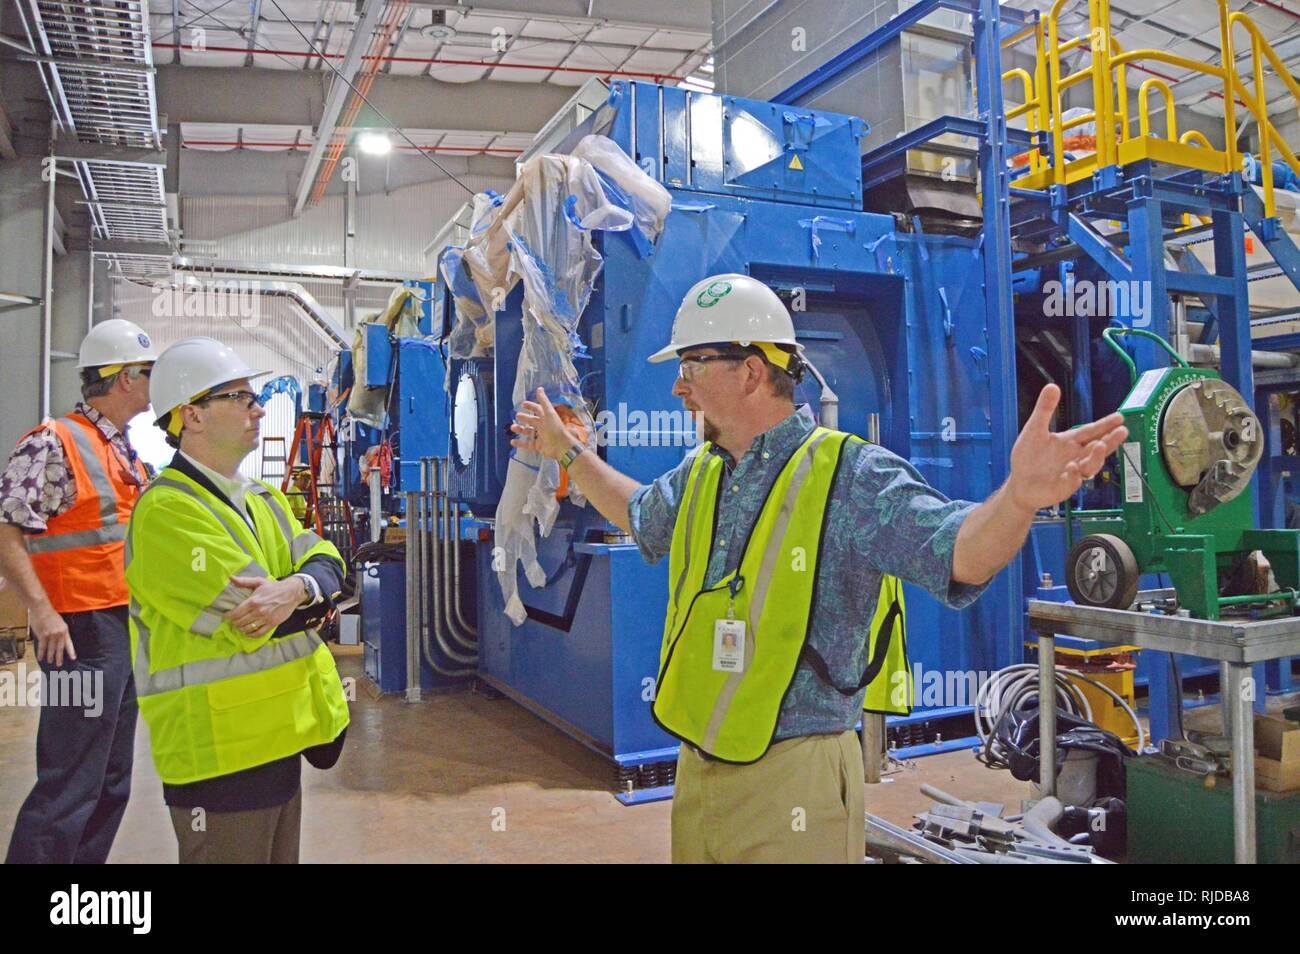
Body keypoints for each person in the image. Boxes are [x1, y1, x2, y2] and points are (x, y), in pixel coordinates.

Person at [511, 273, 1128, 864]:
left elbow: (960, 552)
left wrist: (1018, 497)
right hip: (697, 767)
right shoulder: (705, 470)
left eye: (691, 365)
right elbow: (641, 514)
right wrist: (570, 451)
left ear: (751, 370)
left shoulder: (849, 476)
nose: (679, 386)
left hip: (794, 778)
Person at [127, 337, 350, 863]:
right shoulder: (166, 512)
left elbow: (330, 562)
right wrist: (313, 593)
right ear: (192, 416)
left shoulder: (264, 499)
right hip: (219, 756)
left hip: (281, 739)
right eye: (239, 398)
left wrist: (300, 586)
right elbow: (258, 618)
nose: (258, 408)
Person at [2, 319, 157, 863]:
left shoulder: (122, 450)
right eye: (147, 372)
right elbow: (7, 528)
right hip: (77, 633)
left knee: (111, 781)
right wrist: (41, 614)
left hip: (120, 628)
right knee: (69, 783)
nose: (152, 383)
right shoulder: (54, 441)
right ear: (121, 380)